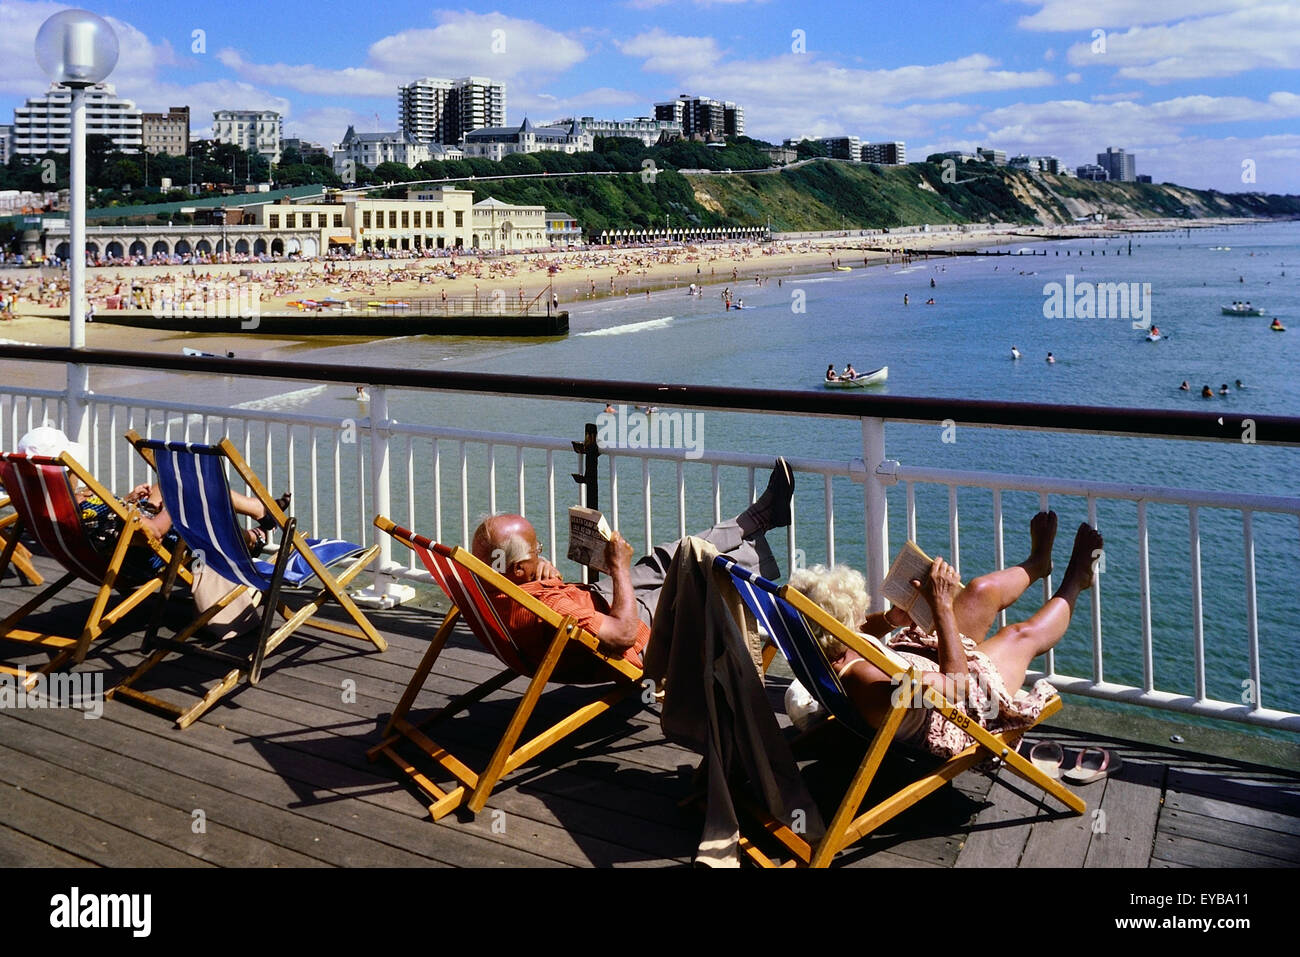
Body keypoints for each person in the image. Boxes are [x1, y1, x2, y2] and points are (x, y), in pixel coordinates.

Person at [789, 513, 1103, 759]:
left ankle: (1037, 563)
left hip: (918, 665)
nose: (860, 622)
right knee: (1020, 634)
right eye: (855, 618)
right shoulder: (871, 686)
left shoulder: (817, 646)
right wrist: (941, 605)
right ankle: (1076, 580)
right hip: (954, 711)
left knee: (980, 591)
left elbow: (861, 635)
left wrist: (889, 619)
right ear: (838, 628)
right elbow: (959, 689)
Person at [470, 459, 794, 680]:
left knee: (670, 556)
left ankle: (760, 517)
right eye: (536, 549)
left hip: (595, 601)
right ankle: (759, 538)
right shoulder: (548, 607)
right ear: (516, 568)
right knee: (697, 568)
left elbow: (527, 586)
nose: (541, 552)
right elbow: (622, 637)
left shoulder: (479, 581)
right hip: (633, 634)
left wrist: (538, 569)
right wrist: (618, 568)